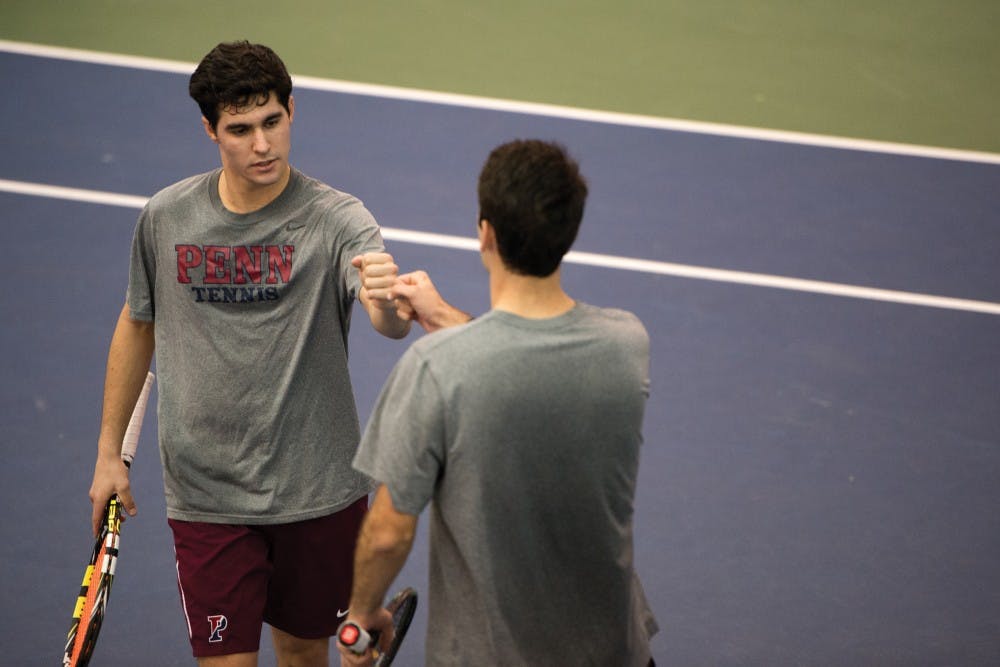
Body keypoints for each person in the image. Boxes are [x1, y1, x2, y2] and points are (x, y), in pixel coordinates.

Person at [87, 41, 410, 666]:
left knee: (301, 654)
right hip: (208, 495)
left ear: (292, 111)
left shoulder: (339, 220)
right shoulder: (166, 217)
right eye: (240, 129)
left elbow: (386, 322)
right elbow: (136, 322)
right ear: (210, 130)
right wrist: (107, 455)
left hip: (317, 490)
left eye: (272, 122)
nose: (262, 144)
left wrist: (388, 302)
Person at [337, 139, 659, 666]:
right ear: (570, 233)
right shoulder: (627, 345)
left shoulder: (436, 370)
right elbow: (530, 356)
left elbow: (388, 534)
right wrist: (443, 316)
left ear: (485, 233)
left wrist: (361, 615)